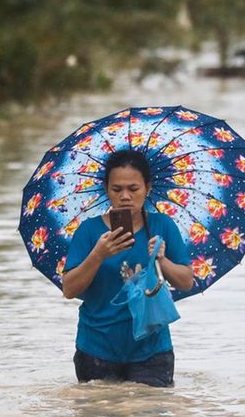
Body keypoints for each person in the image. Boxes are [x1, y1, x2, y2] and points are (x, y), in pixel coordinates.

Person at [61, 149, 194, 387]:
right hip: (96, 347)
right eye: (117, 189)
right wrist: (98, 255)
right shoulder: (89, 231)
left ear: (148, 189)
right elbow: (69, 290)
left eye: (133, 189)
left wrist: (162, 261)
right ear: (106, 190)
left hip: (153, 350)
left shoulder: (162, 226)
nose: (125, 196)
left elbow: (186, 281)